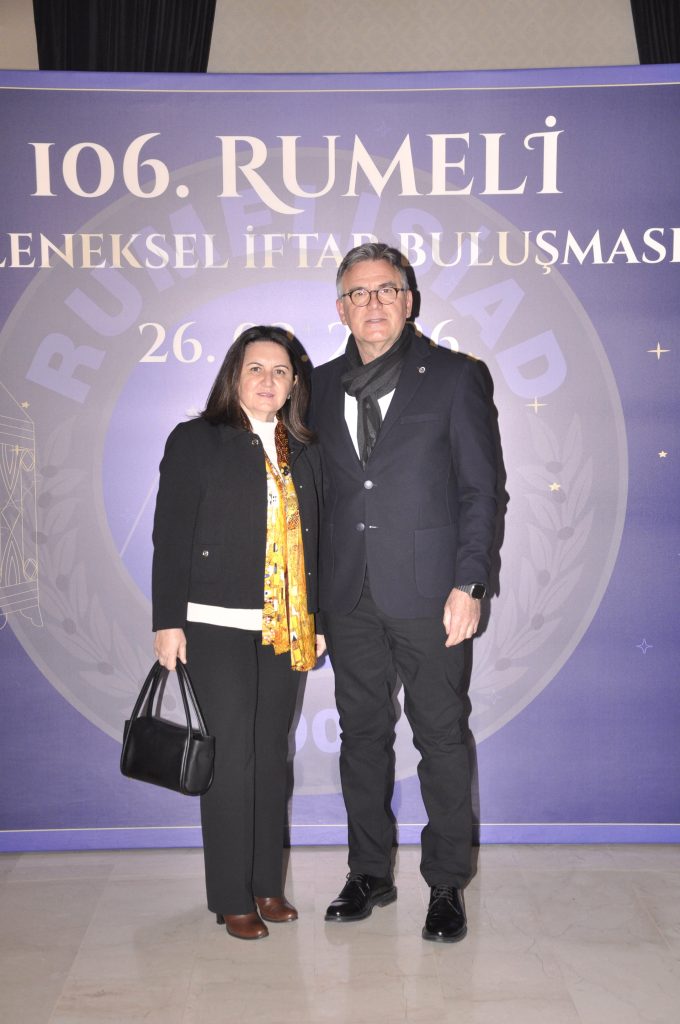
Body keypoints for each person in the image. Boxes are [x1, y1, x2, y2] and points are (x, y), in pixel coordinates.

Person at [309, 242, 499, 942]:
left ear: (408, 300)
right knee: (361, 737)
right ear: (341, 309)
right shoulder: (315, 387)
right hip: (347, 596)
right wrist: (310, 604)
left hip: (430, 595)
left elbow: (482, 491)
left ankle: (446, 882)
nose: (374, 303)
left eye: (386, 289)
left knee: (441, 737)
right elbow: (312, 500)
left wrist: (469, 583)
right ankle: (368, 873)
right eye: (358, 293)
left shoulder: (454, 377)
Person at [152, 325, 324, 941]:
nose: (268, 380)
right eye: (256, 368)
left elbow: (317, 542)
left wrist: (317, 620)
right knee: (230, 762)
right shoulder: (196, 439)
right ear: (234, 375)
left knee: (271, 758)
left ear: (294, 384)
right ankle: (231, 896)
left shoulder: (302, 447)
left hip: (284, 627)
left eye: (280, 371)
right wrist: (167, 621)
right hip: (214, 625)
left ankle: (266, 884)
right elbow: (171, 534)